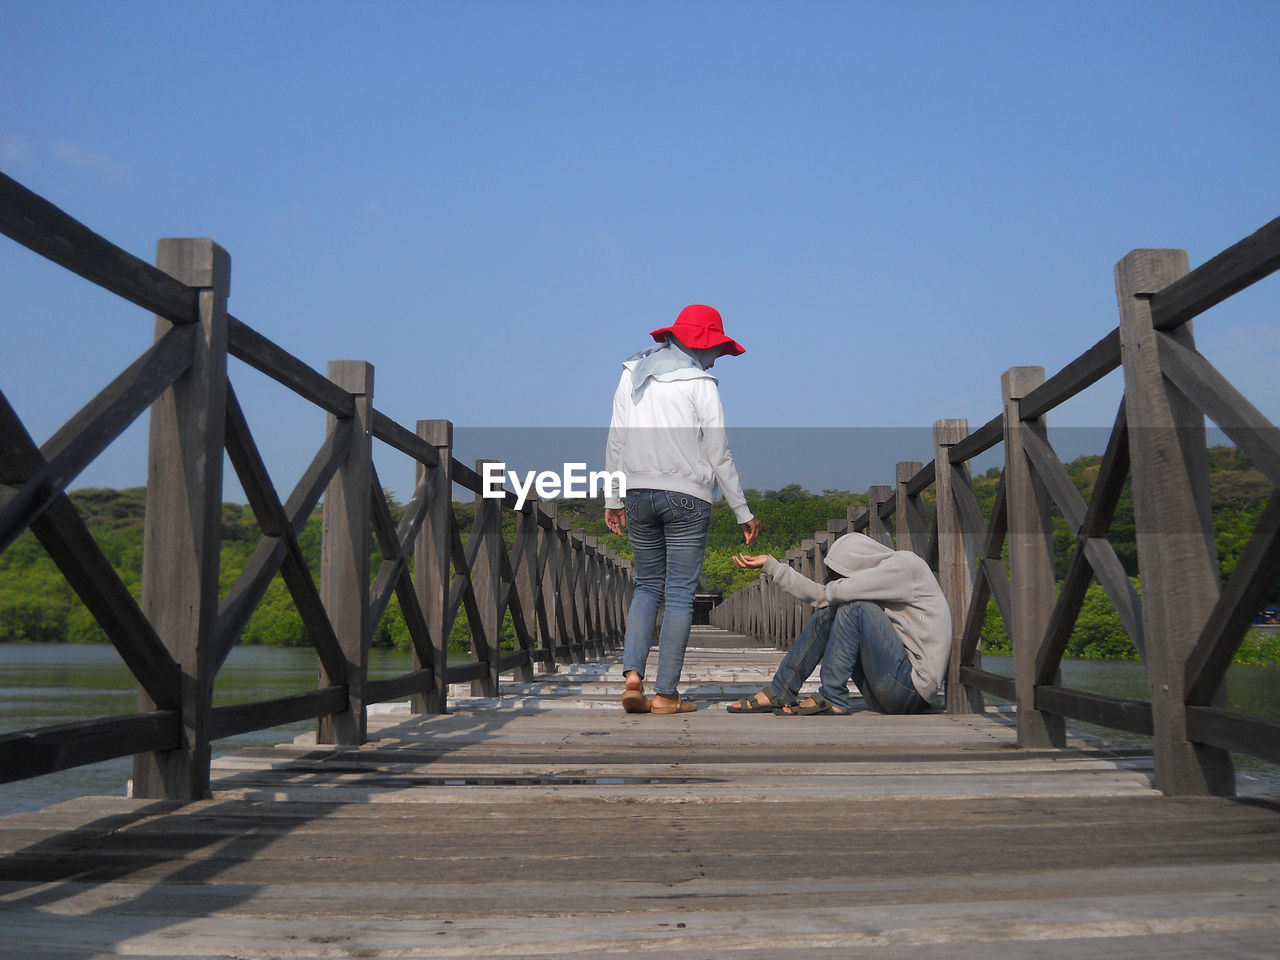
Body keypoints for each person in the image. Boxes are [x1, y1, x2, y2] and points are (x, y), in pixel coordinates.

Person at [604, 304, 760, 715]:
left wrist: (612, 498)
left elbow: (616, 440)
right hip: (688, 496)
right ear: (702, 344)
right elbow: (718, 452)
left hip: (636, 493)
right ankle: (666, 695)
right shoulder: (701, 383)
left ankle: (632, 678)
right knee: (677, 595)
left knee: (646, 586)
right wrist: (742, 511)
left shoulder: (631, 374)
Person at [727, 532, 950, 716]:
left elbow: (835, 593)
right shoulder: (877, 576)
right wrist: (772, 567)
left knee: (855, 608)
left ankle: (832, 696)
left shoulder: (905, 566)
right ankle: (780, 690)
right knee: (830, 614)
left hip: (911, 692)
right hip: (881, 692)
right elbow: (827, 597)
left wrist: (832, 591)